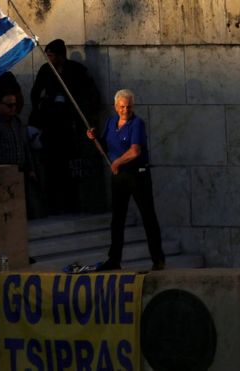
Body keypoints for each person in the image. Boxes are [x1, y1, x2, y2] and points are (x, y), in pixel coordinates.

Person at [87, 89, 165, 271]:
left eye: (128, 107)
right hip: (119, 176)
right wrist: (94, 139)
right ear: (116, 107)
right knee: (117, 219)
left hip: (137, 175)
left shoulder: (137, 123)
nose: (125, 110)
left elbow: (135, 151)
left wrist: (117, 163)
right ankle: (114, 259)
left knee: (148, 216)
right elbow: (105, 149)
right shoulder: (111, 122)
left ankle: (158, 259)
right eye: (122, 107)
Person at [30, 38, 100, 214]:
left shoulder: (76, 70)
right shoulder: (46, 71)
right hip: (50, 128)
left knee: (71, 168)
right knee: (52, 168)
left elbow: (90, 96)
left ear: (61, 55)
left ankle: (74, 203)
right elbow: (35, 94)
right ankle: (53, 205)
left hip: (70, 128)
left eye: (51, 55)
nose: (49, 59)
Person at [0, 90, 39, 218]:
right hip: (4, 171)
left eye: (15, 105)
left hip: (20, 170)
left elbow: (24, 145)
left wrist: (30, 168)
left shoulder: (16, 122)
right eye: (9, 105)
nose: (13, 108)